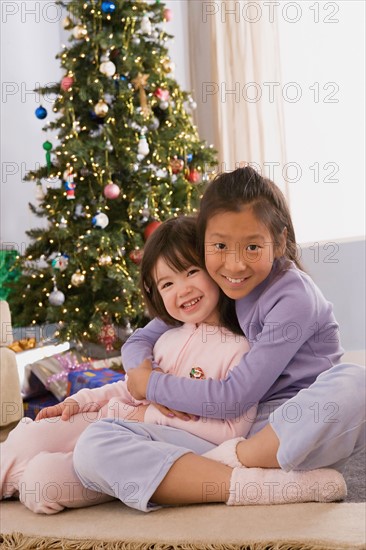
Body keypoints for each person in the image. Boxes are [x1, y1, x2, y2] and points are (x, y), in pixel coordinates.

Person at [73, 166, 363, 512]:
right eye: (220, 246)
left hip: (286, 432)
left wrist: (150, 385)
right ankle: (250, 484)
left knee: (356, 382)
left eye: (253, 247)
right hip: (222, 436)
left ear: (280, 241)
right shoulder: (221, 282)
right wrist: (138, 371)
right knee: (94, 445)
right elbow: (140, 340)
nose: (235, 264)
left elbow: (233, 398)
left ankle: (227, 465)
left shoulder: (293, 296)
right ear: (203, 244)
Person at [0, 216, 257, 514]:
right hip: (115, 422)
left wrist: (149, 416)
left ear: (214, 269)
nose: (182, 289)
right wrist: (80, 402)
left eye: (191, 271)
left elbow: (230, 433)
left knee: (42, 481)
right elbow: (130, 388)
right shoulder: (167, 340)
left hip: (155, 450)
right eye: (168, 283)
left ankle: (37, 477)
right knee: (33, 434)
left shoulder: (240, 347)